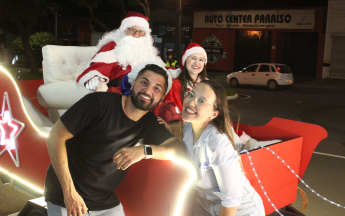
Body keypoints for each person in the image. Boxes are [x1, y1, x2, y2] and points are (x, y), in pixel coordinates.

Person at [44, 62, 186, 216]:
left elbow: (177, 150)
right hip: (66, 196)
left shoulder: (150, 123)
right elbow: (54, 137)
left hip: (104, 201)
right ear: (132, 84)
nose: (148, 90)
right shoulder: (98, 102)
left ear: (162, 98)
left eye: (156, 88)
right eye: (144, 82)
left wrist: (144, 151)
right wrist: (69, 193)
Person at [181, 80, 265, 216]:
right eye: (190, 95)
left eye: (201, 101)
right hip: (208, 205)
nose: (191, 102)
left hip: (240, 211)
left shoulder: (217, 143)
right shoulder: (188, 128)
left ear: (214, 114)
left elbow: (231, 201)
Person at [76, 11, 165, 92]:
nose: (136, 35)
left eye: (141, 32)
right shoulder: (113, 46)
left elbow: (161, 68)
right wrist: (93, 77)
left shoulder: (147, 50)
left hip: (146, 89)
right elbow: (98, 67)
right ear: (124, 30)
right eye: (132, 30)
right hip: (121, 90)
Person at [155, 43, 208, 123]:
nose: (197, 63)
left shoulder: (208, 87)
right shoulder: (174, 85)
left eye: (201, 60)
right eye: (193, 58)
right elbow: (170, 115)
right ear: (185, 60)